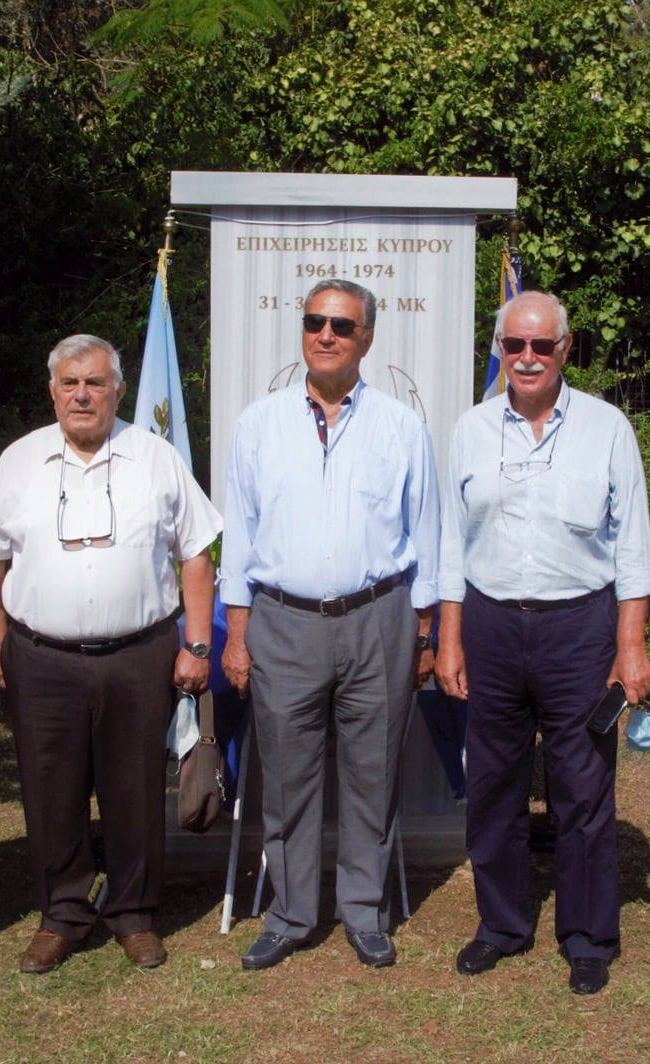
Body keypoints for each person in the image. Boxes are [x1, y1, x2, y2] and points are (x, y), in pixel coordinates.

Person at [0, 334, 220, 974]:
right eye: (70, 383)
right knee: (50, 791)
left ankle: (133, 914)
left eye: (95, 383)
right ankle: (62, 913)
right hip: (41, 657)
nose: (82, 395)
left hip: (139, 655)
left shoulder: (156, 458)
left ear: (118, 391)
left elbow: (197, 554)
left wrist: (198, 644)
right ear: (52, 391)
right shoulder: (18, 462)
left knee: (133, 789)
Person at [435, 290, 650, 993]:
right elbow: (449, 543)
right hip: (491, 624)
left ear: (565, 349)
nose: (526, 357)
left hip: (579, 629)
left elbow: (633, 547)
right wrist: (449, 637)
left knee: (582, 787)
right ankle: (501, 925)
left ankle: (587, 936)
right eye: (513, 345)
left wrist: (631, 645)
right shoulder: (470, 429)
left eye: (541, 345)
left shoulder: (607, 428)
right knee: (493, 783)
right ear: (499, 349)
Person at [220, 279, 440, 970]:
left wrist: (426, 635)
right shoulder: (258, 425)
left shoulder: (401, 428)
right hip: (283, 622)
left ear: (366, 338)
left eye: (342, 326)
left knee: (373, 773)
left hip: (378, 619)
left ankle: (364, 911)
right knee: (287, 777)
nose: (325, 335)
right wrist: (236, 632)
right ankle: (289, 914)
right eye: (315, 321)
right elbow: (240, 535)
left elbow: (427, 536)